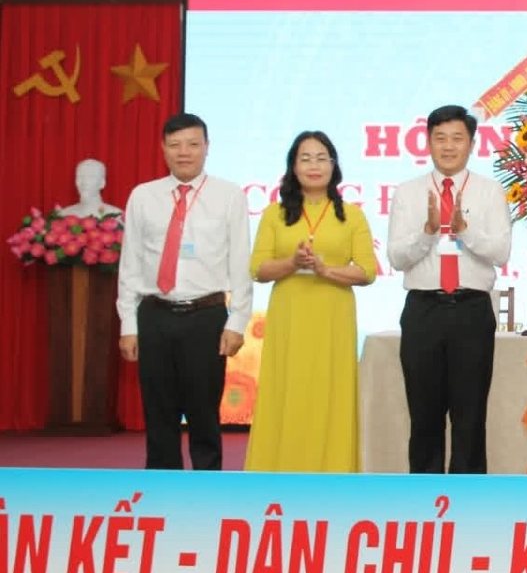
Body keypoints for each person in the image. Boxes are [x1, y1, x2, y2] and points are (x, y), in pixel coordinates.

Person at [116, 113, 252, 470]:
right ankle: (162, 489)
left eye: (193, 144)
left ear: (207, 147)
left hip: (206, 316)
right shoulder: (143, 196)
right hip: (155, 314)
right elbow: (130, 264)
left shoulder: (229, 195)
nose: (184, 152)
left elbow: (240, 263)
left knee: (204, 413)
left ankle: (207, 488)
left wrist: (237, 322)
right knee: (158, 412)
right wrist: (128, 324)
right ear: (163, 149)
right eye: (175, 145)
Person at [386, 105, 512, 473]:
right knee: (424, 416)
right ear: (427, 143)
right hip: (423, 310)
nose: (448, 146)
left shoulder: (490, 192)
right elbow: (396, 257)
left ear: (472, 144)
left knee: (470, 417)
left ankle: (467, 498)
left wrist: (465, 230)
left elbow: (501, 253)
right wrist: (428, 232)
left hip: (471, 310)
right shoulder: (408, 193)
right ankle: (424, 496)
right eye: (439, 138)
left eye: (457, 138)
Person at [244, 131, 376, 472]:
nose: (314, 166)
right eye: (305, 158)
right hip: (290, 315)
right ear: (293, 166)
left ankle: (333, 473)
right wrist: (292, 263)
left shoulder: (351, 215)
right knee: (288, 390)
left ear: (334, 165)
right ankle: (278, 474)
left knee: (330, 393)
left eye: (321, 158)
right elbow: (258, 269)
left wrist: (324, 270)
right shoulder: (274, 214)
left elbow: (367, 271)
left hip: (333, 316)